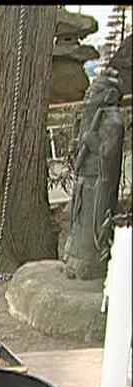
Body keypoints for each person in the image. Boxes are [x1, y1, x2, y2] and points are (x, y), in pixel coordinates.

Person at [64, 67, 124, 280]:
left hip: (98, 182)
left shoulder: (113, 122)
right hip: (84, 180)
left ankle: (89, 265)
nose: (88, 97)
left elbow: (110, 156)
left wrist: (94, 143)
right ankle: (72, 260)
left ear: (108, 96)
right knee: (77, 220)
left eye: (93, 93)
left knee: (91, 223)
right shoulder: (90, 116)